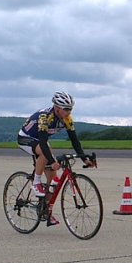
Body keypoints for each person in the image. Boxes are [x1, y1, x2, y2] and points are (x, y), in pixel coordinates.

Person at [17, 91, 93, 226]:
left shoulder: (67, 119)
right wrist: (52, 162)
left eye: (71, 109)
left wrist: (84, 158)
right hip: (26, 138)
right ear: (57, 107)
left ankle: (46, 212)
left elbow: (74, 140)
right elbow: (42, 141)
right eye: (66, 109)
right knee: (44, 152)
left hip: (41, 142)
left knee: (53, 182)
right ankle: (36, 183)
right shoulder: (45, 117)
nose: (69, 112)